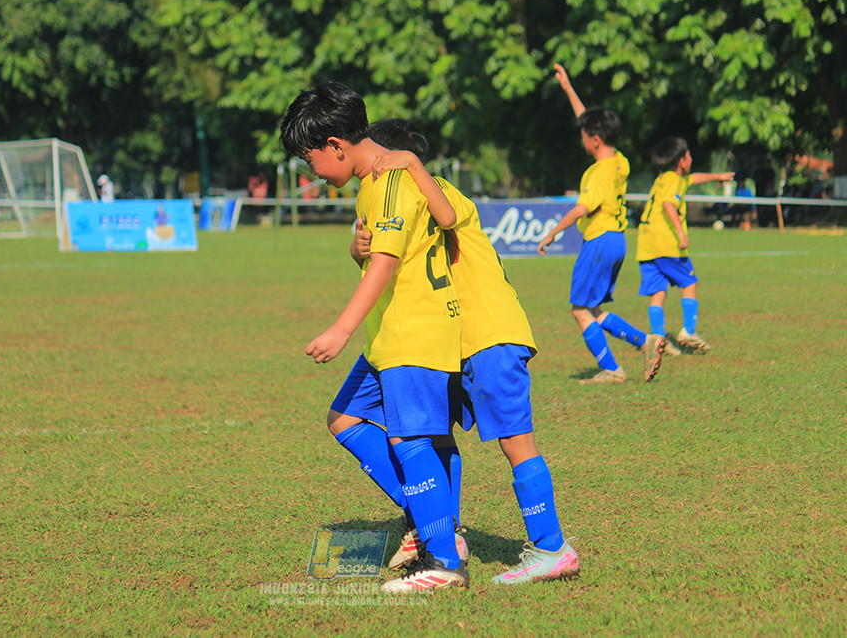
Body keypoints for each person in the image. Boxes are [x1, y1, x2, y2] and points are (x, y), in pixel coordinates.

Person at [354, 118, 580, 586]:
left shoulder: (433, 187)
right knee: (436, 436)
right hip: (457, 341)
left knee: (517, 441)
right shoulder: (410, 195)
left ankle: (552, 546)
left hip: (489, 335)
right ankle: (440, 530)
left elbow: (447, 218)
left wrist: (412, 167)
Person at [280, 81, 468, 593]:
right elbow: (381, 252)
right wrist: (356, 250)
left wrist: (341, 327)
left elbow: (387, 262)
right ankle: (429, 518)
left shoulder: (387, 180)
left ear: (336, 146)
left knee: (410, 439)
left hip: (414, 330)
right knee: (343, 418)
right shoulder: (375, 180)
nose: (311, 171)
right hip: (389, 335)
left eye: (310, 158)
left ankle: (444, 562)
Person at [537, 64, 665, 384]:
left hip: (598, 241)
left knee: (579, 310)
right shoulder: (620, 162)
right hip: (618, 240)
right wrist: (568, 88)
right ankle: (646, 341)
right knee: (592, 309)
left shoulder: (596, 173)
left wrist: (552, 233)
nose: (581, 139)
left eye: (583, 136)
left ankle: (611, 369)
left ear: (593, 140)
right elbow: (590, 124)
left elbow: (581, 209)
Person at [637, 137, 733, 354]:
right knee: (690, 282)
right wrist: (680, 231)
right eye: (688, 155)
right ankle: (688, 331)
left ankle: (659, 339)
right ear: (682, 161)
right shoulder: (673, 181)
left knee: (658, 292)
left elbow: (694, 178)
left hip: (646, 244)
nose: (691, 158)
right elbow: (669, 204)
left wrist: (717, 176)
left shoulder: (665, 178)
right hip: (666, 243)